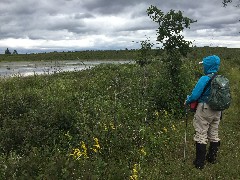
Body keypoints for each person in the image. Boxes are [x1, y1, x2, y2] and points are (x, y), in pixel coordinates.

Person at [184, 55, 222, 170]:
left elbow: (195, 95)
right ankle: (212, 158)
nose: (203, 67)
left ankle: (199, 163)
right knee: (214, 133)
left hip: (205, 108)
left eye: (204, 65)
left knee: (201, 133)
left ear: (208, 65)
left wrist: (188, 100)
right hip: (218, 110)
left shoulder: (205, 78)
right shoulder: (221, 79)